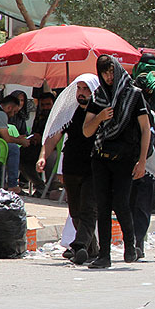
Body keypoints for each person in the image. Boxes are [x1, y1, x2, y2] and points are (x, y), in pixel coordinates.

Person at [83, 55, 152, 268]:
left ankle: (130, 245)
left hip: (125, 159)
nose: (109, 77)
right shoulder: (98, 96)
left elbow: (145, 129)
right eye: (104, 72)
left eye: (111, 71)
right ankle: (104, 255)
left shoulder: (134, 95)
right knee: (102, 206)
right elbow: (87, 131)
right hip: (101, 157)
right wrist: (100, 117)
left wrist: (142, 161)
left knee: (121, 203)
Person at [37, 74, 100, 265]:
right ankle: (92, 249)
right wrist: (42, 156)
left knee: (88, 209)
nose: (82, 93)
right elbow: (54, 136)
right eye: (79, 89)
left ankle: (79, 245)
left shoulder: (100, 111)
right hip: (72, 166)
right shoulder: (69, 111)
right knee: (75, 212)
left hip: (93, 168)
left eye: (86, 89)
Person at [130, 105, 155, 260]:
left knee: (142, 208)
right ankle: (132, 241)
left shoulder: (149, 114)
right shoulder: (116, 111)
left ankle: (137, 242)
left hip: (147, 170)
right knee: (126, 207)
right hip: (124, 168)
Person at [19, 92, 56, 191]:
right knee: (20, 155)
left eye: (48, 104)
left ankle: (51, 188)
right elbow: (35, 131)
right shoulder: (39, 116)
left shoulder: (57, 117)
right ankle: (39, 186)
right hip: (37, 147)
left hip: (53, 148)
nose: (45, 107)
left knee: (51, 157)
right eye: (43, 105)